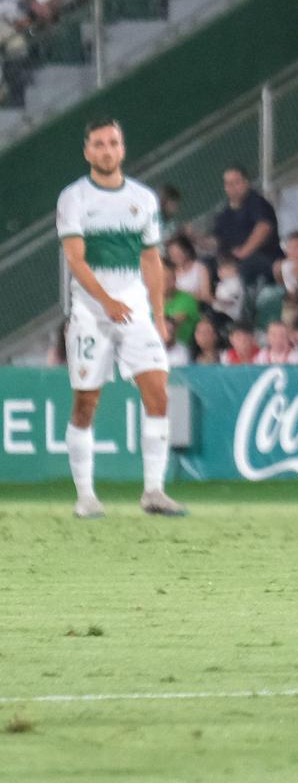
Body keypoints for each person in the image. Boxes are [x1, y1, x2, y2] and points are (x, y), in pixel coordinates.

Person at [57, 119, 185, 519]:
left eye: (113, 142)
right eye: (99, 144)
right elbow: (75, 259)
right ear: (87, 151)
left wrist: (159, 315)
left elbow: (151, 259)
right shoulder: (74, 198)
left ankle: (153, 491)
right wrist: (105, 300)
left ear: (122, 149)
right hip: (90, 313)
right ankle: (86, 496)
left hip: (134, 309)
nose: (107, 150)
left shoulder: (143, 199)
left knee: (159, 394)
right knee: (86, 403)